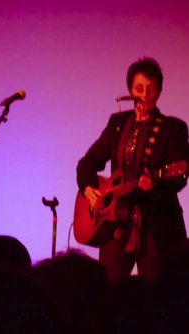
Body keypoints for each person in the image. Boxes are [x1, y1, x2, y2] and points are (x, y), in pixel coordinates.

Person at [76, 58, 188, 282]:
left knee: (157, 294)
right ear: (129, 90)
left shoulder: (173, 128)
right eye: (139, 88)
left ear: (159, 92)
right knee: (108, 293)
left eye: (151, 88)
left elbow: (179, 177)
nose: (145, 94)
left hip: (156, 225)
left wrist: (155, 185)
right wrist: (88, 187)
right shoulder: (117, 123)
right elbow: (88, 161)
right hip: (116, 224)